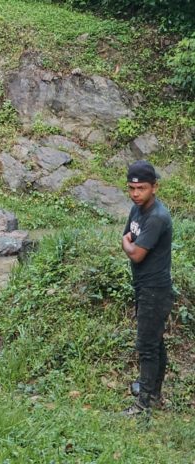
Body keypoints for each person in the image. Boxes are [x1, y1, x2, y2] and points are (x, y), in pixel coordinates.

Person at [120, 160, 173, 416]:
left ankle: (144, 403)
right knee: (155, 342)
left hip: (155, 288)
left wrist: (126, 244)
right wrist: (128, 243)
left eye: (141, 188)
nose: (135, 193)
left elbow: (135, 252)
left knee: (147, 345)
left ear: (154, 187)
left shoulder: (157, 217)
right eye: (131, 188)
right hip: (143, 286)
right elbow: (128, 236)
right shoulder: (137, 209)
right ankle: (153, 393)